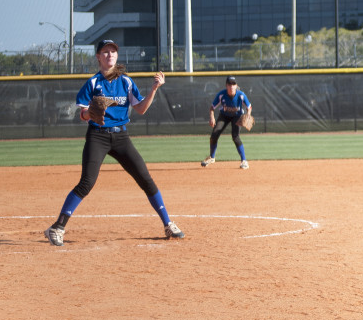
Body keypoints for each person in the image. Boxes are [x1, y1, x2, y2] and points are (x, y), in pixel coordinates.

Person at [44, 39, 184, 246]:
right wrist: (90, 113)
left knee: (145, 179)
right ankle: (57, 227)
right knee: (87, 182)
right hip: (97, 136)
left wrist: (154, 89)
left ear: (117, 56)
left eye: (113, 52)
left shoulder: (126, 82)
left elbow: (141, 109)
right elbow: (81, 114)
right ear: (99, 57)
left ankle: (168, 224)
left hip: (121, 137)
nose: (110, 55)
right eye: (105, 52)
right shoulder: (93, 83)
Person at [202, 75, 252, 169]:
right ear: (226, 86)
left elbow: (249, 107)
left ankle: (244, 161)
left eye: (233, 84)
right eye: (229, 84)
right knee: (214, 135)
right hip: (224, 116)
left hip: (237, 116)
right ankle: (212, 157)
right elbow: (212, 108)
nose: (231, 86)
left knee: (235, 136)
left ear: (236, 85)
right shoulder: (221, 95)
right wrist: (212, 117)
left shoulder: (241, 95)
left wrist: (248, 115)